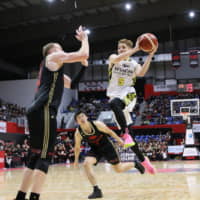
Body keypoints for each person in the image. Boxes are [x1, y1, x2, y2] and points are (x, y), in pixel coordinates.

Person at [14, 25, 89, 200]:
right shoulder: (52, 57)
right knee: (45, 156)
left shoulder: (54, 70)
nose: (62, 50)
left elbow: (73, 84)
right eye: (59, 48)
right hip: (45, 110)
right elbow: (82, 54)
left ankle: (20, 196)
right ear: (51, 51)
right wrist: (84, 39)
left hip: (36, 111)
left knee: (34, 156)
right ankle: (34, 197)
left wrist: (84, 67)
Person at [107, 38, 157, 174]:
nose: (120, 50)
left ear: (129, 49)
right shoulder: (113, 58)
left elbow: (141, 73)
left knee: (113, 103)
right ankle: (144, 161)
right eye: (119, 48)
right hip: (115, 95)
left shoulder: (134, 63)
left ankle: (125, 133)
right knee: (132, 142)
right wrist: (135, 49)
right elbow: (117, 59)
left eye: (123, 47)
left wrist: (150, 55)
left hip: (128, 93)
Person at [74, 111, 145, 199]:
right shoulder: (78, 133)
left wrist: (119, 140)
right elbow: (77, 147)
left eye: (82, 116)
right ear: (77, 122)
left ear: (86, 117)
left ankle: (135, 164)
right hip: (95, 149)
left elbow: (110, 132)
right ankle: (97, 190)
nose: (81, 118)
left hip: (107, 147)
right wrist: (76, 160)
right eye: (79, 118)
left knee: (118, 169)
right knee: (86, 164)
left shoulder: (97, 124)